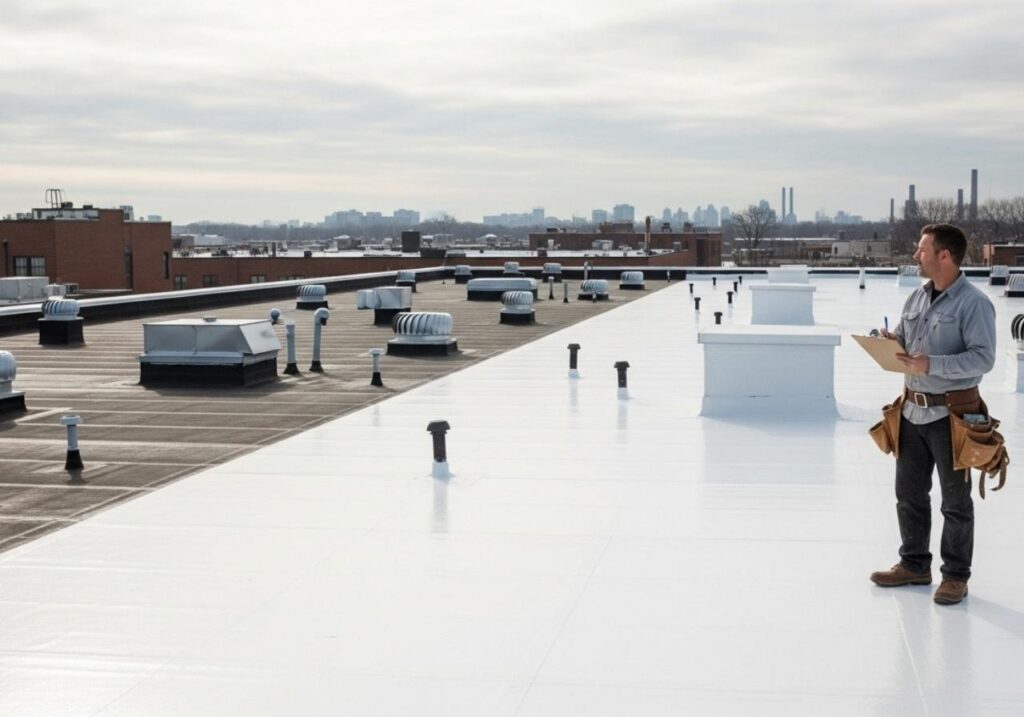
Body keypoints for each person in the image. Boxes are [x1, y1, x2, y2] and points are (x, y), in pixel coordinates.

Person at [870, 223, 996, 605]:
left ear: (945, 255)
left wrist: (932, 364)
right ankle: (914, 564)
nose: (915, 255)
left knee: (955, 502)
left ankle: (955, 575)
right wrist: (892, 344)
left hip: (951, 417)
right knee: (908, 493)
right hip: (911, 412)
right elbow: (910, 348)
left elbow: (982, 358)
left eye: (922, 250)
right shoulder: (916, 299)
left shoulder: (974, 304)